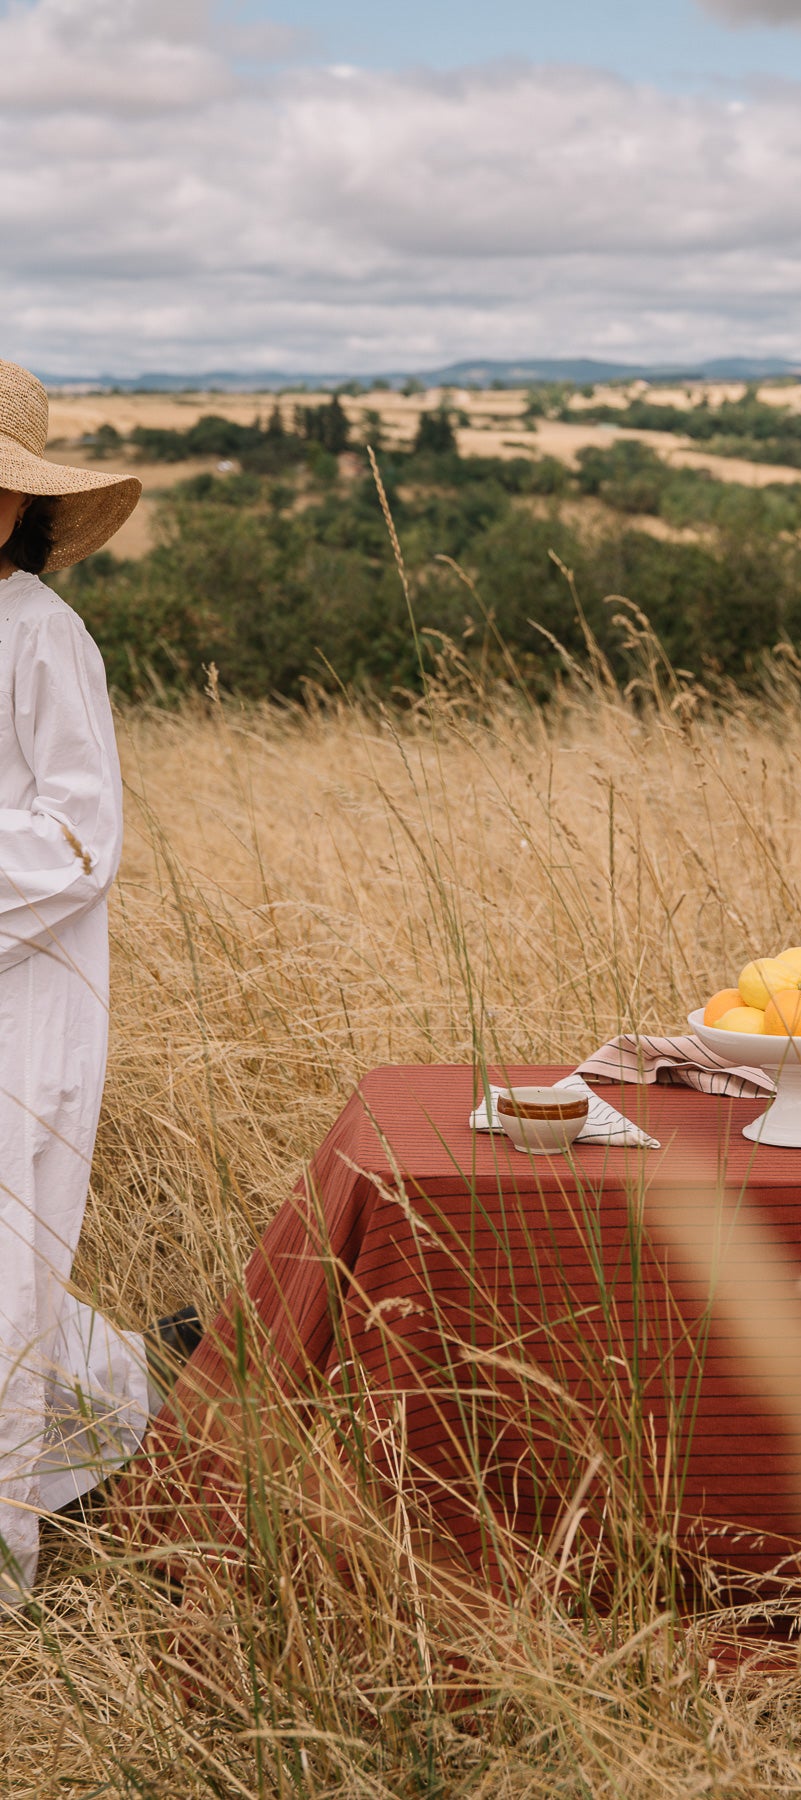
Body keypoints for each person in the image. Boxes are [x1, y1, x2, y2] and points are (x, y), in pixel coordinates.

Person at [0, 358, 187, 1600]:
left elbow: (78, 840)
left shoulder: (40, 635)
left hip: (25, 1004)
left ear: (25, 504)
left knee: (4, 1270)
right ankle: (139, 1399)